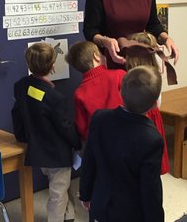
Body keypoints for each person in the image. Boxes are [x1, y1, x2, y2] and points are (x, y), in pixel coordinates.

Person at [80, 65, 165, 222]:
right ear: (155, 104)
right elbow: (150, 190)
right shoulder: (151, 139)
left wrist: (85, 193)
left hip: (100, 203)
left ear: (121, 92)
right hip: (130, 213)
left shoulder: (99, 118)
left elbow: (88, 160)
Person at [12, 42, 81, 222]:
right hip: (57, 154)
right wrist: (77, 144)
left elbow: (16, 112)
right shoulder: (55, 98)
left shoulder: (21, 86)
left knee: (61, 186)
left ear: (28, 63)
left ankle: (69, 215)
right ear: (52, 66)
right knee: (57, 193)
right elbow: (65, 126)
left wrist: (21, 137)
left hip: (37, 148)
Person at [124, 32, 170, 175]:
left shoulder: (130, 80)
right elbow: (159, 103)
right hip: (152, 123)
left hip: (139, 125)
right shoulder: (155, 75)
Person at [65, 40, 126, 141]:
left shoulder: (79, 93)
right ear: (96, 56)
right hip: (126, 136)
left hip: (100, 143)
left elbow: (82, 127)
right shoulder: (119, 75)